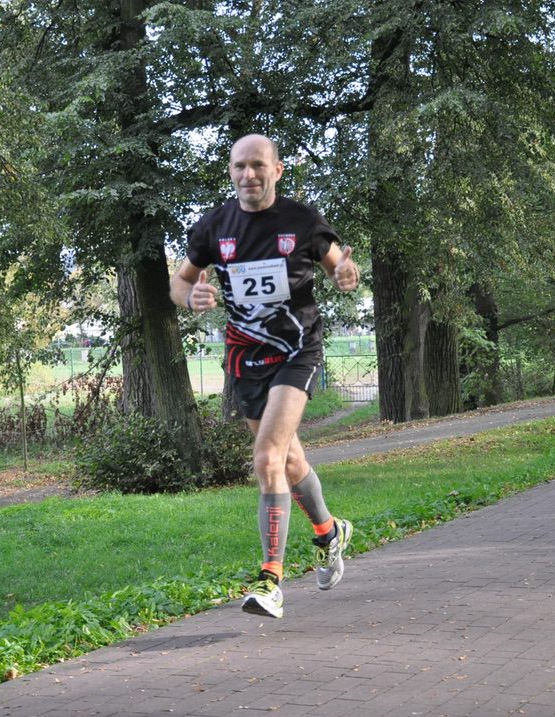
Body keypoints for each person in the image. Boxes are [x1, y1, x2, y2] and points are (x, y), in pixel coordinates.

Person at [169, 134, 360, 618]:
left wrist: (345, 274)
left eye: (257, 165)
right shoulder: (215, 226)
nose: (248, 174)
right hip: (246, 356)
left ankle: (270, 580)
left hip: (296, 349)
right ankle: (329, 532)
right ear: (230, 171)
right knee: (288, 460)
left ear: (277, 170)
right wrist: (190, 297)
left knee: (266, 457)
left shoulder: (301, 220)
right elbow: (180, 281)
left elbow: (339, 266)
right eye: (239, 166)